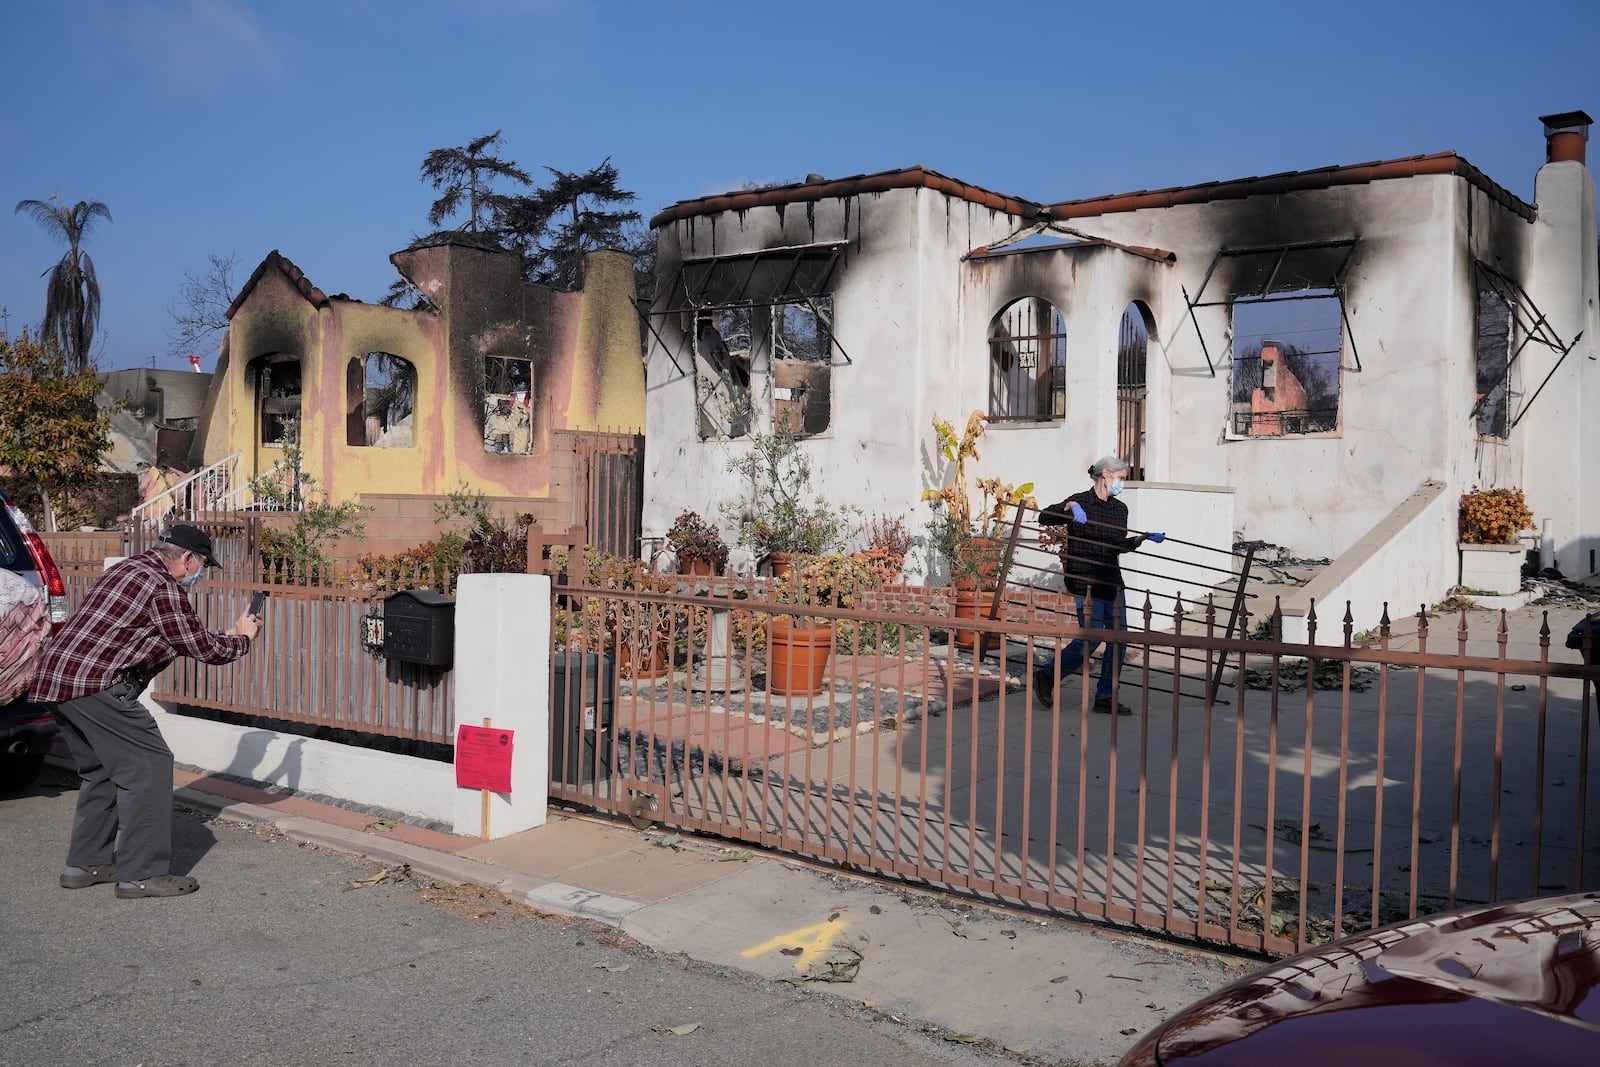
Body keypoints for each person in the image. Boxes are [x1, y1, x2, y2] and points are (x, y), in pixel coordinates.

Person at [30, 525, 260, 899]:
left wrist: (225, 633)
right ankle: (142, 874)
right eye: (200, 564)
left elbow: (170, 634)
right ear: (187, 558)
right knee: (150, 765)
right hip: (97, 685)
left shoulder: (130, 568)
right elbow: (203, 648)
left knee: (102, 770)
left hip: (59, 680)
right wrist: (242, 637)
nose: (198, 573)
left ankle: (85, 865)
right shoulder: (163, 586)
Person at [1036, 456, 1165, 715]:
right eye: (1121, 478)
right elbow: (1044, 517)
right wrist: (1069, 506)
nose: (1122, 484)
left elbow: (1117, 546)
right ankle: (1049, 675)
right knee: (1093, 636)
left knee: (1119, 638)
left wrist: (1140, 539)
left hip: (1111, 580)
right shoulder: (1080, 501)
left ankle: (1105, 696)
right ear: (1105, 474)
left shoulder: (1120, 510)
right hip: (1085, 580)